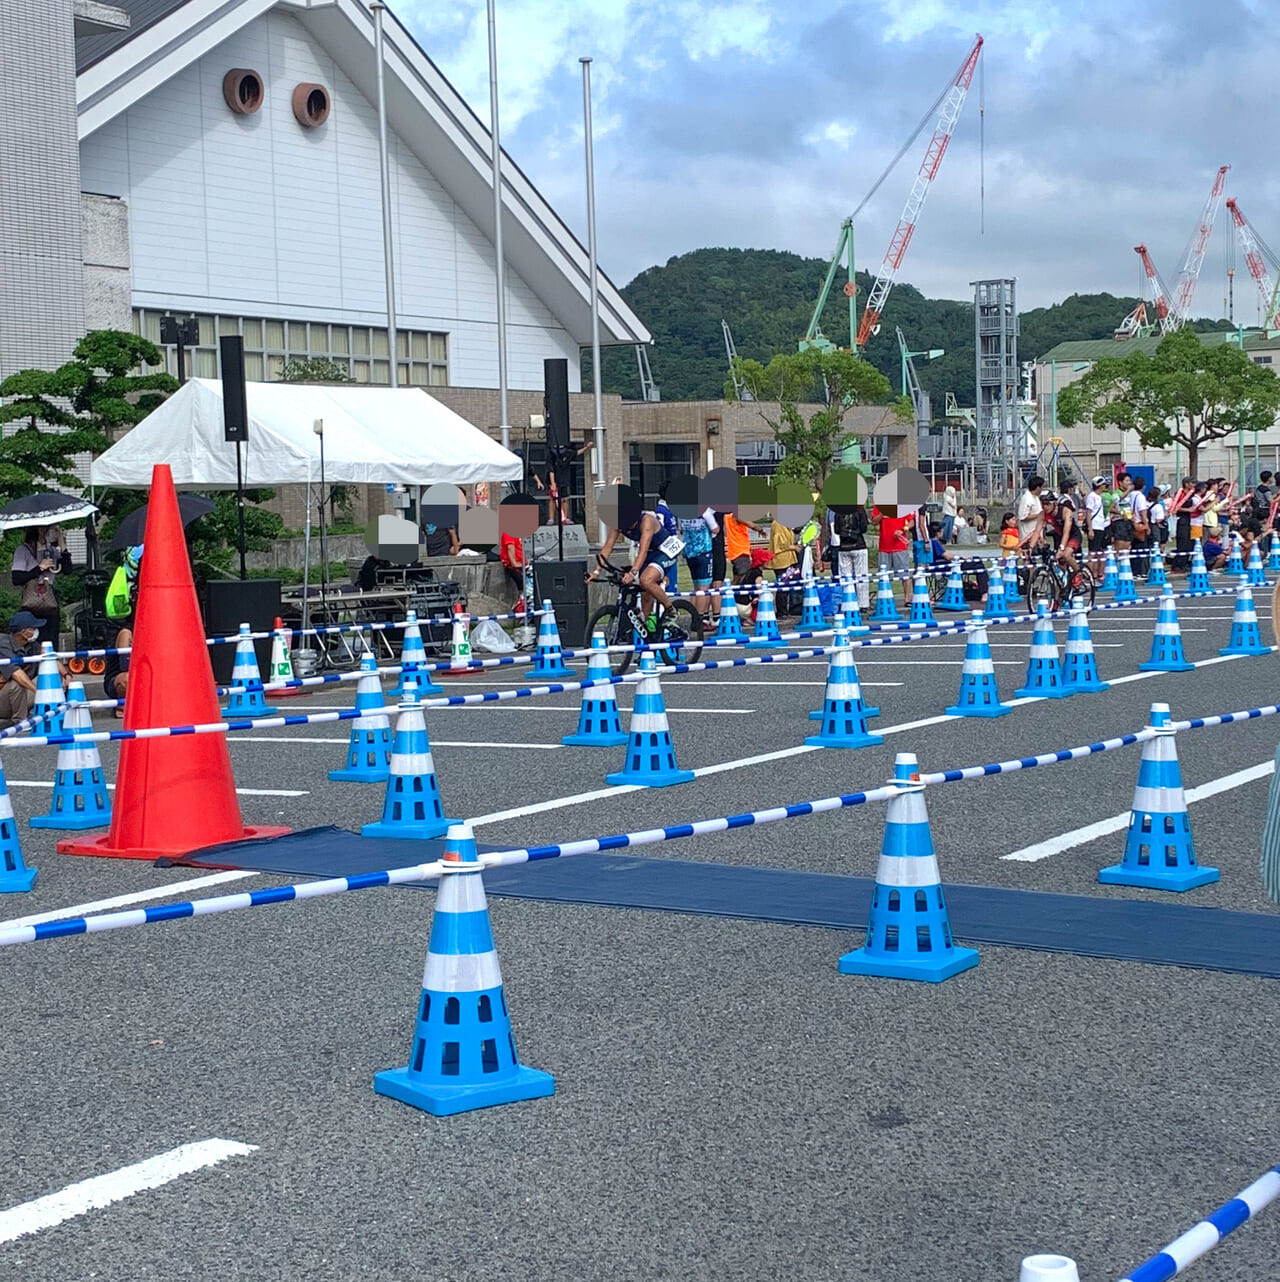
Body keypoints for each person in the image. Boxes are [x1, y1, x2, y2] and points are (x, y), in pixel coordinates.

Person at [588, 494, 677, 626]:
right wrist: (596, 572)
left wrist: (633, 572)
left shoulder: (646, 521)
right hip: (649, 553)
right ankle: (645, 632)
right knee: (645, 593)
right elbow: (607, 547)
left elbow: (643, 551)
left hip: (664, 550)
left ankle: (671, 610)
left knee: (646, 580)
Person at [12, 524, 70, 639]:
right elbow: (16, 578)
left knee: (51, 637)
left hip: (50, 598)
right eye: (52, 529)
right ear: (41, 530)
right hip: (32, 598)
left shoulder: (51, 550)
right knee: (34, 638)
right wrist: (39, 568)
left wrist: (62, 545)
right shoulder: (24, 550)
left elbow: (68, 570)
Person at [0, 611, 44, 729]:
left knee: (47, 678)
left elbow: (49, 658)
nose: (36, 631)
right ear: (23, 631)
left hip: (17, 696)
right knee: (17, 683)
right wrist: (38, 691)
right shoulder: (3, 645)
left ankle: (46, 714)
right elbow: (17, 674)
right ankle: (20, 720)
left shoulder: (33, 645)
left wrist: (66, 675)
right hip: (3, 697)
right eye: (33, 628)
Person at [927, 521, 988, 605]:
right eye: (942, 530)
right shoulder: (934, 542)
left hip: (943, 564)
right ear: (938, 532)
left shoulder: (932, 542)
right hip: (944, 566)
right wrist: (961, 557)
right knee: (977, 562)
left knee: (977, 563)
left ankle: (983, 589)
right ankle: (984, 591)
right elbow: (947, 556)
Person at [827, 503, 870, 607]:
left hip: (843, 546)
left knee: (845, 577)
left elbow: (836, 530)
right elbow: (864, 527)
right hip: (858, 545)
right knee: (861, 576)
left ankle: (847, 601)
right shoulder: (859, 509)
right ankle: (862, 604)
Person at [679, 506, 717, 616]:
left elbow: (681, 530)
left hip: (689, 551)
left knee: (695, 587)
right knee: (703, 588)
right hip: (703, 551)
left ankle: (693, 615)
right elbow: (715, 529)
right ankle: (699, 617)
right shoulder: (704, 511)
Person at [874, 506, 913, 595]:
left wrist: (903, 529)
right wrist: (882, 514)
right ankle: (884, 597)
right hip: (884, 546)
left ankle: (907, 597)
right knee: (883, 575)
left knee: (904, 574)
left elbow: (911, 522)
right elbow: (874, 521)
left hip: (899, 545)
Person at [1016, 475, 1046, 551]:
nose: (1042, 489)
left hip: (1037, 532)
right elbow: (1023, 517)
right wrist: (1039, 515)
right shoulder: (1026, 498)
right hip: (1028, 534)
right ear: (1038, 487)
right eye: (1042, 487)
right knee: (1028, 557)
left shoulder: (1036, 497)